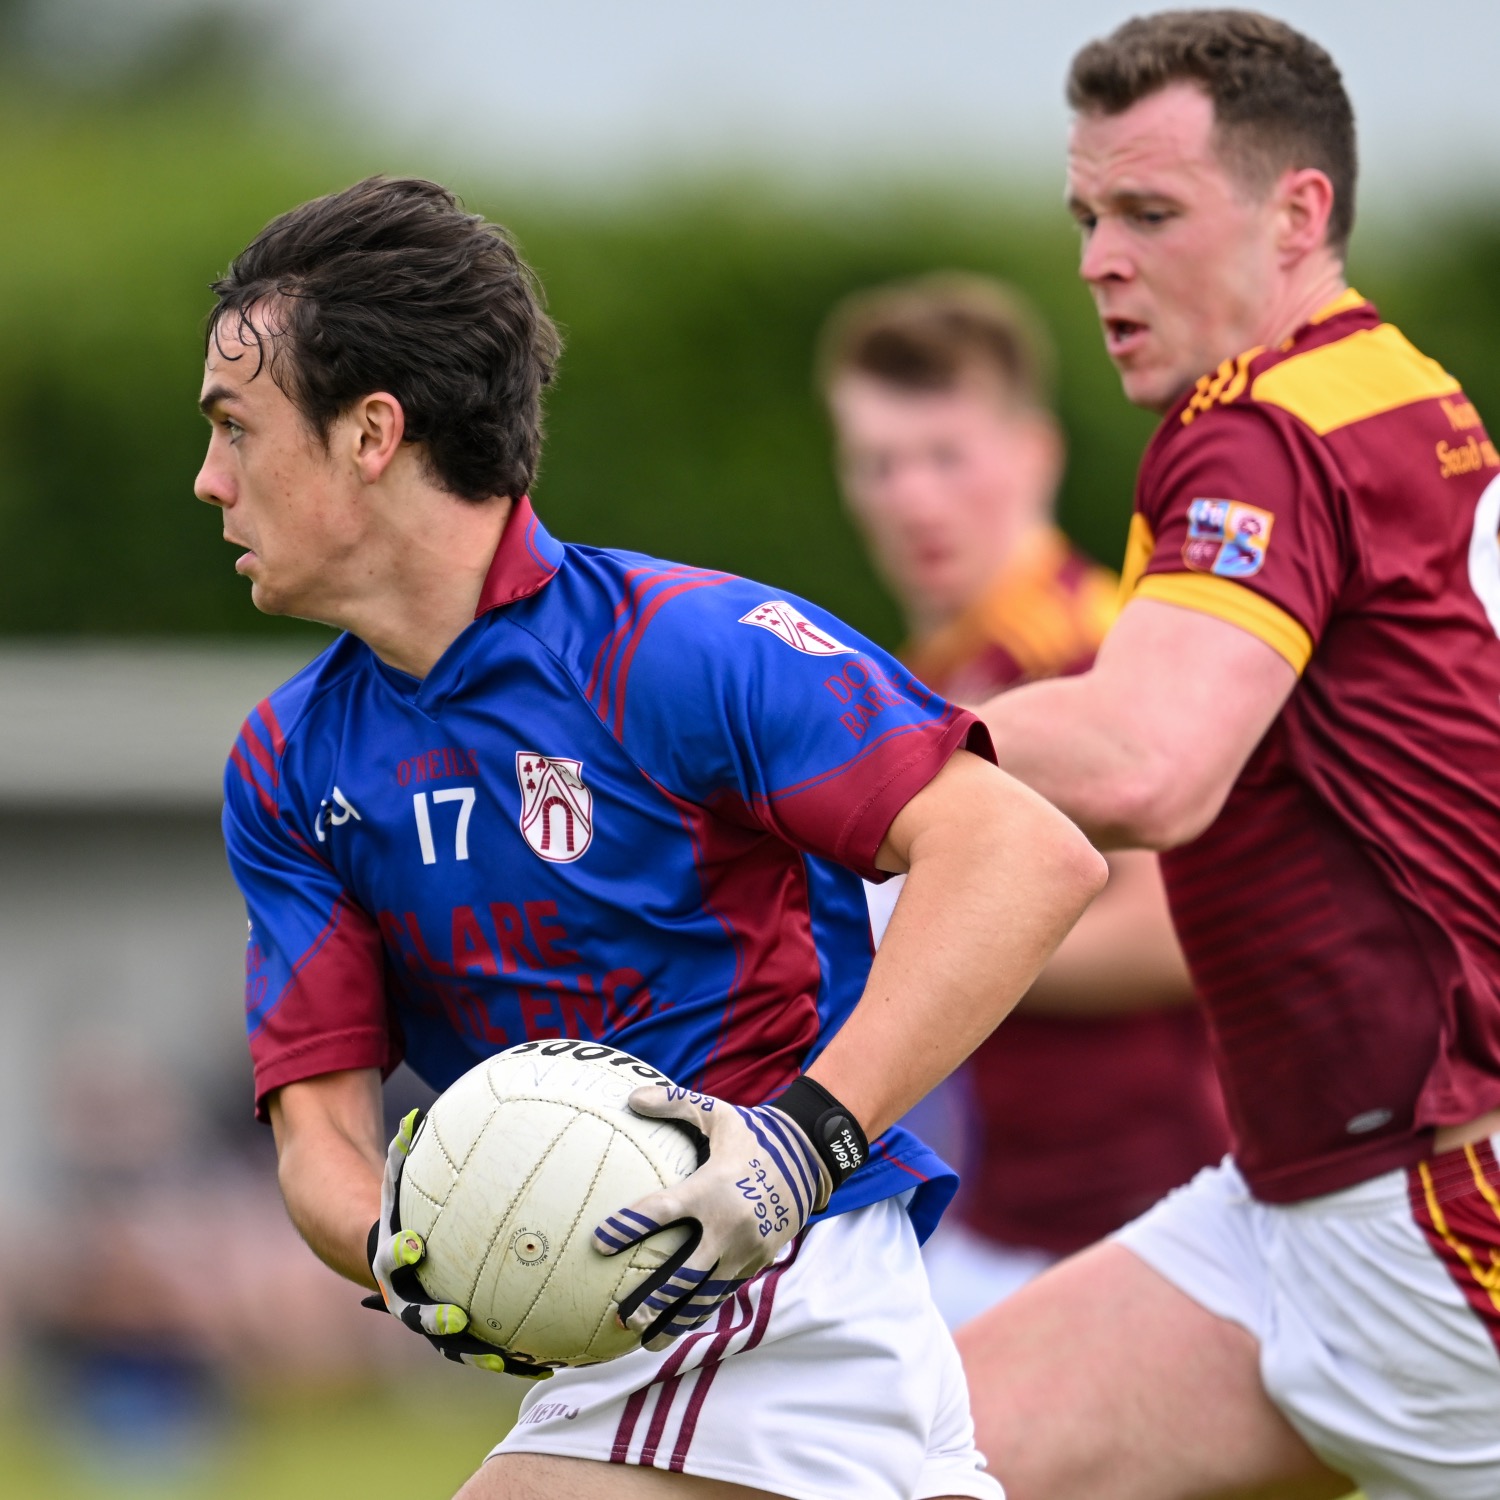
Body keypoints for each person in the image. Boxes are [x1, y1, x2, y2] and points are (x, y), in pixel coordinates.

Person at [195, 176, 1105, 1500]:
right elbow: (318, 1139)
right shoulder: (290, 763)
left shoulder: (677, 648)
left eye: (236, 427)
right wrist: (409, 1245)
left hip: (774, 1288)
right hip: (620, 1329)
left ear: (372, 432)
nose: (210, 479)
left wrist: (796, 1148)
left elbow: (1024, 856)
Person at [954, 12, 1500, 1500]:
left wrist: (804, 742)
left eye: (1149, 214)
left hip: (1436, 1208)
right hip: (1300, 1209)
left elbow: (1147, 763)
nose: (1099, 262)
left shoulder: (1261, 428)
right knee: (900, 1458)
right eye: (1087, 217)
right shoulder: (1391, 386)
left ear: (1297, 213)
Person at [818, 273, 1228, 1324]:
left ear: (1035, 454)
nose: (913, 497)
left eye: (946, 455)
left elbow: (1174, 936)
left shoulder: (1096, 655)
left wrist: (908, 943)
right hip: (1008, 1212)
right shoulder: (923, 676)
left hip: (1146, 1212)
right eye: (879, 462)